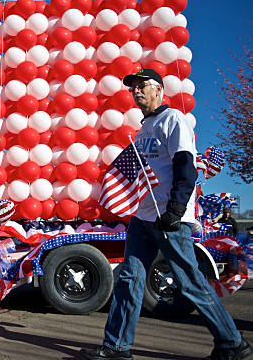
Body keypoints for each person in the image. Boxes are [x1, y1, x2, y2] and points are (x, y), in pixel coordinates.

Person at [79, 69, 251, 360]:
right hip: (143, 217)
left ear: (159, 89)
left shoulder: (174, 120)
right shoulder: (145, 128)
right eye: (132, 88)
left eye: (141, 86)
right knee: (129, 280)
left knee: (189, 282)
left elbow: (186, 167)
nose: (136, 92)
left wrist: (175, 209)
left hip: (168, 218)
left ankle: (232, 344)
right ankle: (117, 347)